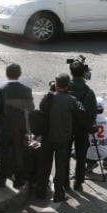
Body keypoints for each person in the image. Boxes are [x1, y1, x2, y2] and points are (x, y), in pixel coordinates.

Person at [0, 63, 34, 188]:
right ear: (19, 75)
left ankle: (1, 179)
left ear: (6, 74)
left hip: (4, 126)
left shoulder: (1, 90)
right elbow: (31, 108)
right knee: (18, 152)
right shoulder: (26, 90)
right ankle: (18, 179)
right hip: (19, 126)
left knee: (3, 152)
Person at [35, 73, 77, 203]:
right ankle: (59, 194)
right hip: (64, 138)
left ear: (56, 84)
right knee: (61, 168)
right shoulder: (72, 100)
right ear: (68, 85)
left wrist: (51, 92)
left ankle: (41, 191)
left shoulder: (49, 98)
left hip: (48, 136)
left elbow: (41, 109)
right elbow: (77, 115)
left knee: (45, 165)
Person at [68, 60, 97, 191]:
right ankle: (78, 183)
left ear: (70, 73)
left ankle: (64, 182)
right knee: (81, 157)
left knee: (64, 155)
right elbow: (93, 114)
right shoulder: (89, 93)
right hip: (82, 129)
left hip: (66, 127)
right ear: (84, 74)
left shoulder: (65, 88)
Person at [86, 97, 107, 172]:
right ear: (103, 108)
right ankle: (105, 162)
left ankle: (90, 163)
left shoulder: (89, 120)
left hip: (90, 154)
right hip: (104, 152)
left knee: (74, 150)